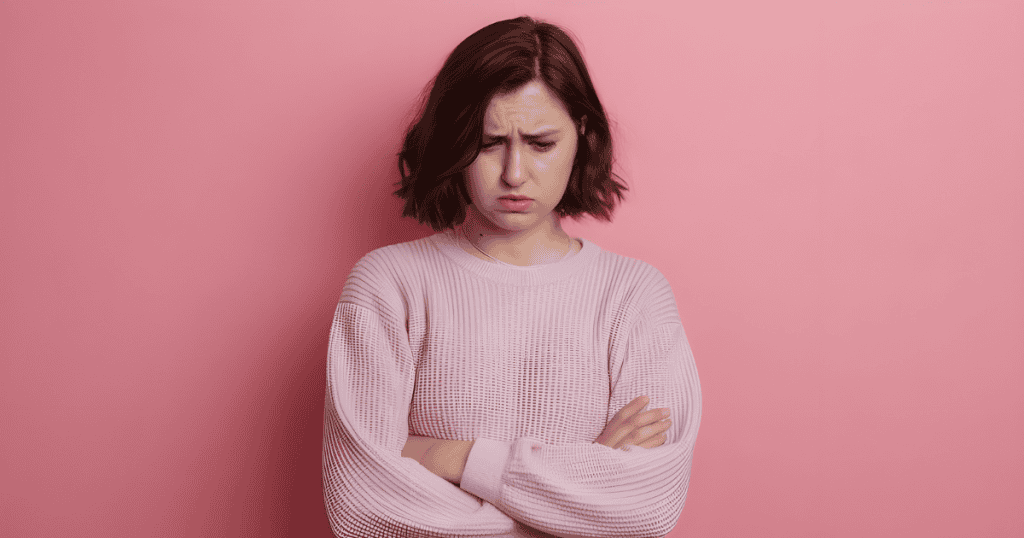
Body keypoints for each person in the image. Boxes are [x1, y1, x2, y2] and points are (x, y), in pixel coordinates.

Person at [322, 16, 701, 538]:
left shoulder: (634, 296)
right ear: (454, 141)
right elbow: (362, 506)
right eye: (488, 142)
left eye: (541, 143)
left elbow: (645, 506)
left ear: (582, 136)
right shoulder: (389, 286)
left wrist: (444, 455)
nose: (515, 173)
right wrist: (579, 484)